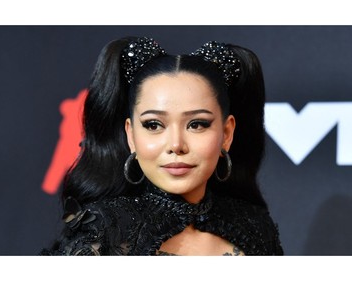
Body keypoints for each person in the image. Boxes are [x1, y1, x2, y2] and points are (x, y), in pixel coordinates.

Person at [40, 36, 283, 256]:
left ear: (227, 133)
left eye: (197, 124)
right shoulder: (102, 234)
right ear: (131, 135)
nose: (176, 145)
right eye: (154, 125)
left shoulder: (255, 227)